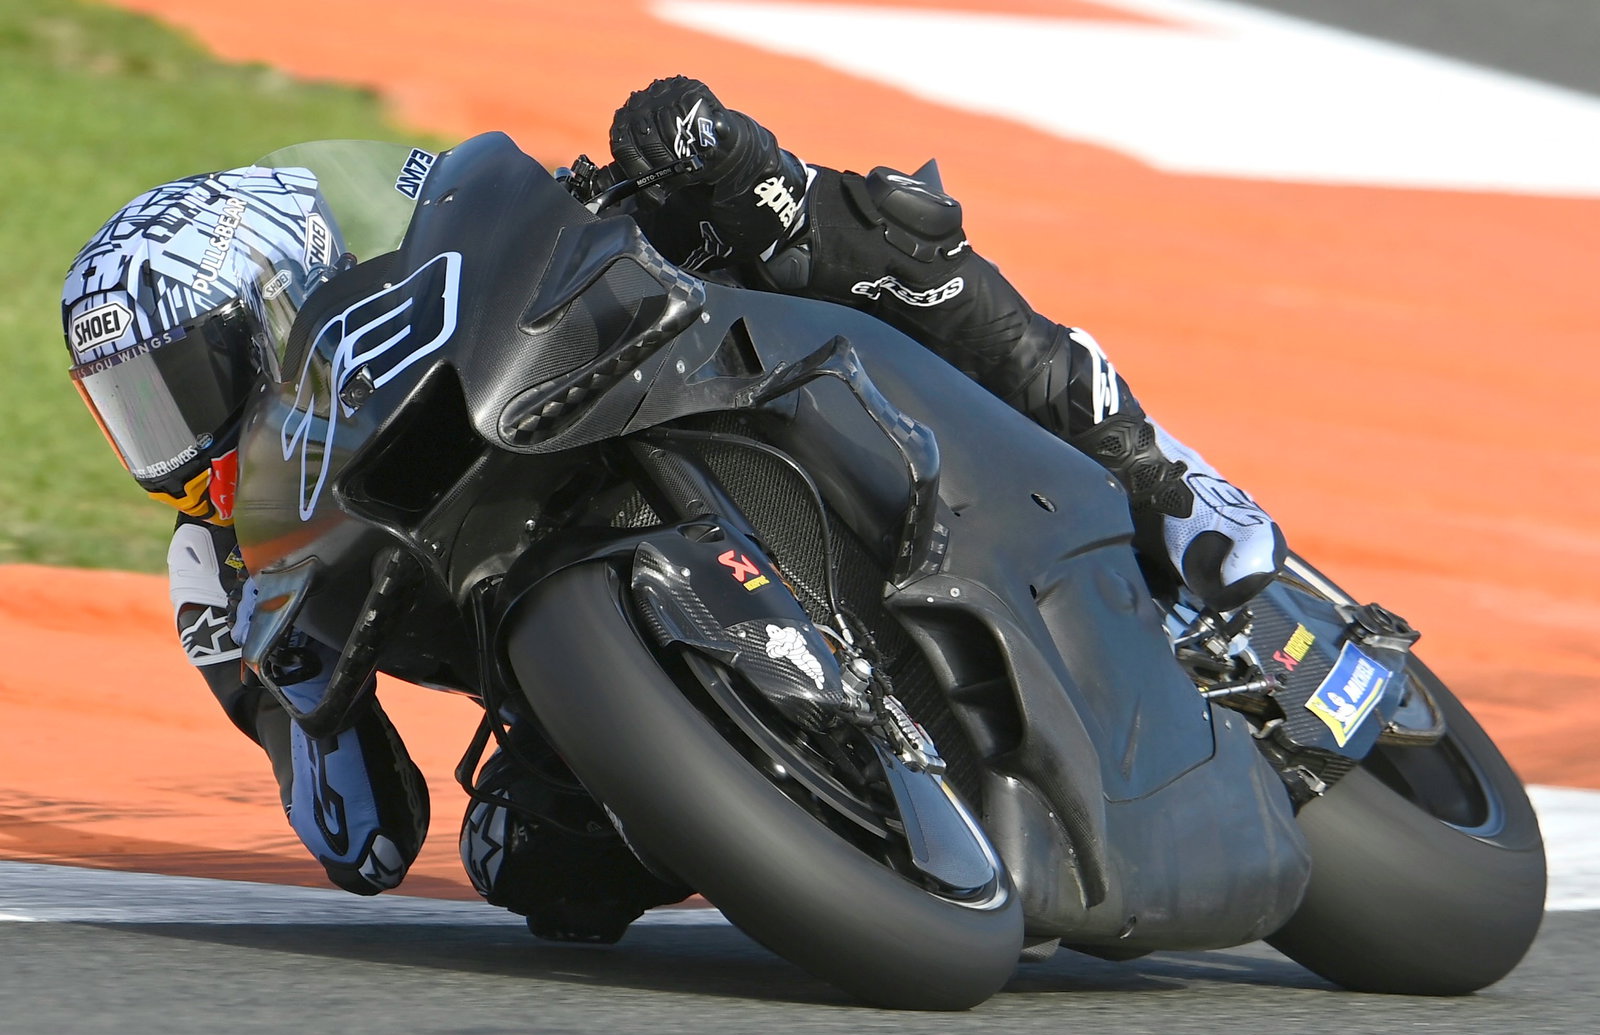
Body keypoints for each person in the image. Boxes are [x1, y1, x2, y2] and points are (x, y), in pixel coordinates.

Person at [60, 76, 1284, 942]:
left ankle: (1162, 478)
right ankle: (802, 797)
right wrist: (303, 707)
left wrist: (689, 162)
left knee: (802, 215)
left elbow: (509, 213)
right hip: (543, 670)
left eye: (180, 386)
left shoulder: (388, 308)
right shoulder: (218, 569)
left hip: (631, 387)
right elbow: (361, 840)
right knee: (528, 877)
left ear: (276, 307)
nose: (167, 441)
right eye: (130, 408)